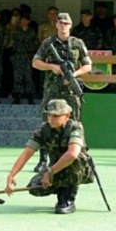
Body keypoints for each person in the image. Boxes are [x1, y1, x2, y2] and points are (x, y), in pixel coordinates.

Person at [5, 99, 94, 215]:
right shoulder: (44, 129)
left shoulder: (75, 127)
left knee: (73, 159)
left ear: (67, 115)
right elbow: (27, 152)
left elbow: (72, 154)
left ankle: (67, 199)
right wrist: (12, 175)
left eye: (56, 116)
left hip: (79, 169)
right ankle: (61, 187)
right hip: (56, 167)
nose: (52, 118)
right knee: (35, 188)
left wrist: (50, 173)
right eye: (49, 115)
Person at [32, 13, 91, 172]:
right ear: (56, 25)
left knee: (75, 123)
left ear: (70, 25)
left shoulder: (77, 43)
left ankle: (78, 156)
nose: (63, 26)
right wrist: (52, 67)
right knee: (47, 123)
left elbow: (87, 66)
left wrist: (73, 75)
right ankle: (43, 160)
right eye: (61, 23)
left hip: (71, 90)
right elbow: (35, 62)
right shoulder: (48, 43)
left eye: (66, 23)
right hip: (52, 90)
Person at [11, 15, 38, 104]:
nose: (24, 22)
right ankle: (17, 96)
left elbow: (35, 43)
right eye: (22, 20)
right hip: (18, 56)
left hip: (28, 56)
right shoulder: (16, 31)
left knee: (28, 76)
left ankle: (30, 96)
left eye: (26, 20)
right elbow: (12, 43)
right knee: (17, 76)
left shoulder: (32, 31)